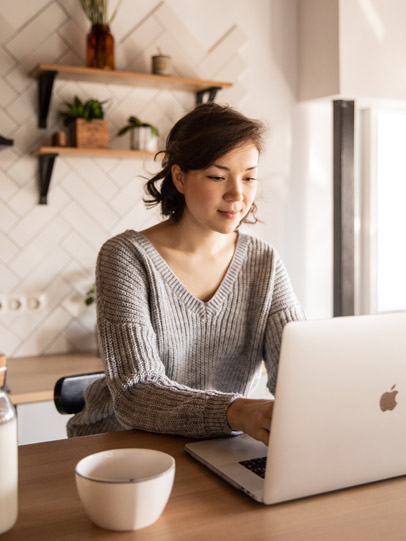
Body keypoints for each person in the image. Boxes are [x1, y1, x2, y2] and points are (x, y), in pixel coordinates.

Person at [67, 103, 305, 445]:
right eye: (217, 176)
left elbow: (298, 371)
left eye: (249, 177)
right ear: (179, 177)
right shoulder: (126, 257)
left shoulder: (263, 262)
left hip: (213, 443)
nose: (237, 194)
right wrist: (235, 411)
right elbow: (135, 391)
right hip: (120, 444)